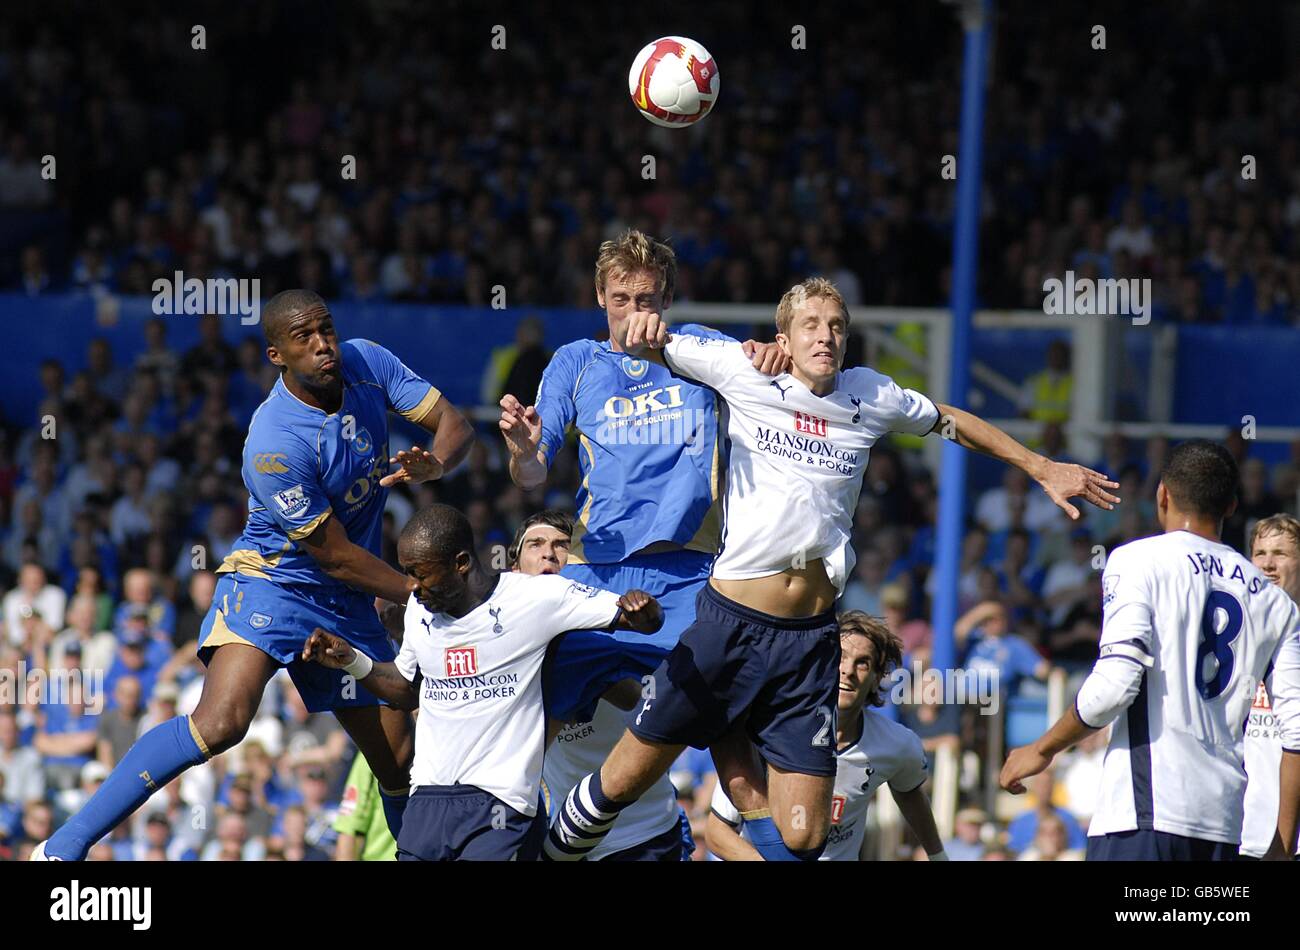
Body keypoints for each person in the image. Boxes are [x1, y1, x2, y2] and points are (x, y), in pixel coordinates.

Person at [546, 276, 1118, 861]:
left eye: (838, 326)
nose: (827, 337)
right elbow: (653, 338)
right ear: (783, 339)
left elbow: (952, 421)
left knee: (806, 835)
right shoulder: (744, 371)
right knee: (618, 786)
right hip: (728, 625)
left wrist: (1040, 465)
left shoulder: (870, 395)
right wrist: (643, 328)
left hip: (809, 638)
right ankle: (557, 849)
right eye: (812, 326)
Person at [34, 289, 474, 861]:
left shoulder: (367, 361)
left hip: (348, 595)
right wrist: (418, 593)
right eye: (304, 338)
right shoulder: (273, 441)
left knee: (398, 762)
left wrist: (436, 463)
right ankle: (60, 848)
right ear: (276, 356)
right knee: (221, 723)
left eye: (326, 329)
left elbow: (455, 423)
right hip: (275, 584)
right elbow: (333, 554)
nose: (324, 345)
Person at [499, 229, 787, 860]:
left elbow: (771, 380)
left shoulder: (702, 348)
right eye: (622, 297)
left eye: (648, 298)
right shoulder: (575, 362)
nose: (635, 311)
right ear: (601, 297)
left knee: (731, 740)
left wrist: (768, 356)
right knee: (519, 717)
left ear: (668, 298)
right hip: (594, 576)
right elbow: (533, 473)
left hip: (692, 577)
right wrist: (523, 449)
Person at [301, 504, 664, 861]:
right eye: (407, 572)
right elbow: (404, 689)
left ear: (461, 563)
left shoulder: (536, 598)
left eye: (421, 574)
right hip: (428, 799)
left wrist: (643, 608)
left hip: (499, 804)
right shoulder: (418, 613)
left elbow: (641, 620)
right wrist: (351, 660)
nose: (411, 586)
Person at [1001, 441, 1300, 861]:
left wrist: (1042, 748)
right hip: (1225, 825)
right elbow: (1297, 733)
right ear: (1232, 506)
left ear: (1162, 495)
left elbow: (1115, 686)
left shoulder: (1137, 560)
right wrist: (1281, 848)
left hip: (1144, 814)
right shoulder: (1275, 603)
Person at [706, 611, 946, 861]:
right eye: (840, 658)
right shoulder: (769, 733)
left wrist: (938, 856)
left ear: (876, 680)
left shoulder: (896, 744)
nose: (848, 671)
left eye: (862, 663)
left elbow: (909, 792)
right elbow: (717, 832)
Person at [1240, 514, 1300, 859]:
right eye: (1260, 553)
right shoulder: (1235, 641)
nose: (1268, 564)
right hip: (1241, 834)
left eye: (1281, 553)